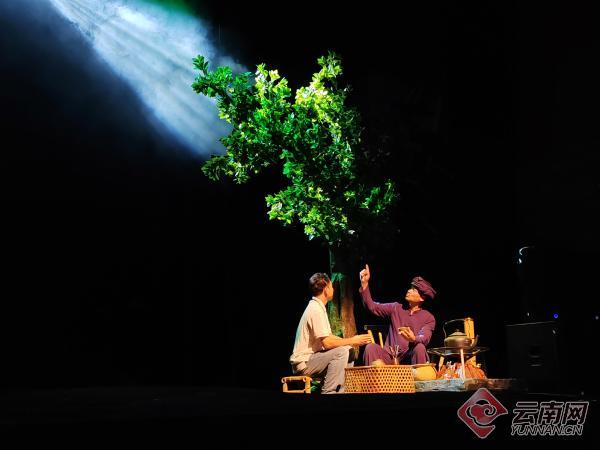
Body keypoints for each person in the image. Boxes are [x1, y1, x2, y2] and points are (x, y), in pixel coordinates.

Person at [290, 272, 373, 394]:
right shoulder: (315, 309)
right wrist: (353, 340)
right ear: (326, 289)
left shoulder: (319, 307)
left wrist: (353, 341)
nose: (333, 289)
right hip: (304, 362)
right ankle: (329, 392)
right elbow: (327, 343)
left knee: (348, 350)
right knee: (341, 352)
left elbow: (328, 336)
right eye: (331, 286)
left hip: (313, 359)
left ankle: (342, 390)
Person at [359, 264, 436, 365]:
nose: (409, 290)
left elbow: (425, 337)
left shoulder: (428, 317)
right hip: (389, 356)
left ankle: (419, 375)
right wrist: (364, 283)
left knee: (420, 347)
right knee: (371, 348)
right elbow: (372, 307)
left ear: (422, 298)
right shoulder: (396, 308)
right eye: (410, 288)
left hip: (408, 357)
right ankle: (373, 376)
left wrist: (414, 338)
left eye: (414, 290)